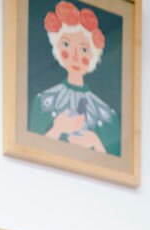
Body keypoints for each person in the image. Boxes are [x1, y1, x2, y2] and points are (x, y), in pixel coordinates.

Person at [29, 2, 121, 156]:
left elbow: (117, 165)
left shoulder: (108, 115)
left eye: (84, 49)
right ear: (57, 47)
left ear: (93, 55)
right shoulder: (42, 101)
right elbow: (30, 152)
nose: (75, 56)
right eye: (67, 44)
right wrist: (57, 129)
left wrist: (96, 142)